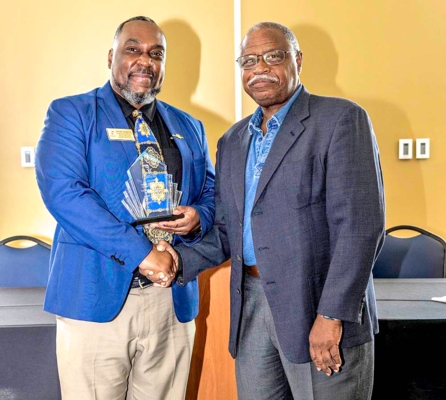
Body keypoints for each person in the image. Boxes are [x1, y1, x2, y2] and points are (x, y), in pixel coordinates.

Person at [156, 21, 385, 400]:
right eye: (248, 60)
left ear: (297, 60)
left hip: (318, 308)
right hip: (251, 308)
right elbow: (229, 229)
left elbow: (360, 228)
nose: (259, 68)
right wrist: (178, 261)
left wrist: (331, 316)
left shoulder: (340, 120)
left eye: (272, 57)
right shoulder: (232, 141)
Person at [35, 16, 215, 400]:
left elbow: (213, 192)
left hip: (172, 299)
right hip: (95, 299)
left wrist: (201, 216)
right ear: (111, 56)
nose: (144, 61)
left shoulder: (191, 126)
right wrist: (142, 253)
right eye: (133, 49)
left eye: (156, 53)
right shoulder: (72, 114)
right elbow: (65, 193)